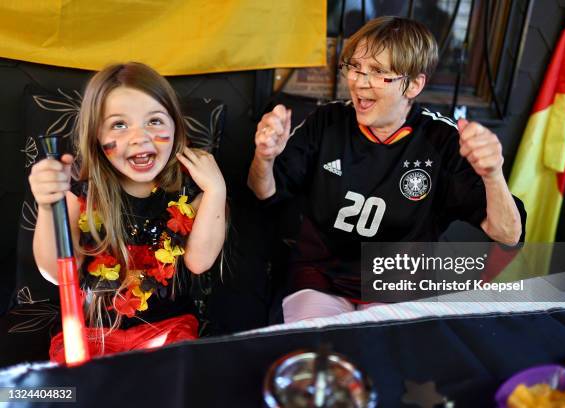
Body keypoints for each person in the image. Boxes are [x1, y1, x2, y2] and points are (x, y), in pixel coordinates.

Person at [248, 17, 526, 323]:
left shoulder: (442, 141)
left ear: (414, 85)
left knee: (380, 356)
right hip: (319, 279)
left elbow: (508, 233)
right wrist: (265, 156)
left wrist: (492, 174)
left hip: (397, 288)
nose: (359, 82)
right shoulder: (326, 121)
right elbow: (264, 192)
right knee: (315, 356)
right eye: (354, 67)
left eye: (379, 73)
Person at [29, 62, 227, 361]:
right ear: (97, 135)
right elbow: (57, 273)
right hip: (89, 333)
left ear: (176, 126)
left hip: (169, 329)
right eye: (119, 125)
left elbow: (199, 262)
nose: (139, 137)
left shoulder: (189, 193)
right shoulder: (80, 196)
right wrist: (47, 205)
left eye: (155, 121)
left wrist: (216, 191)